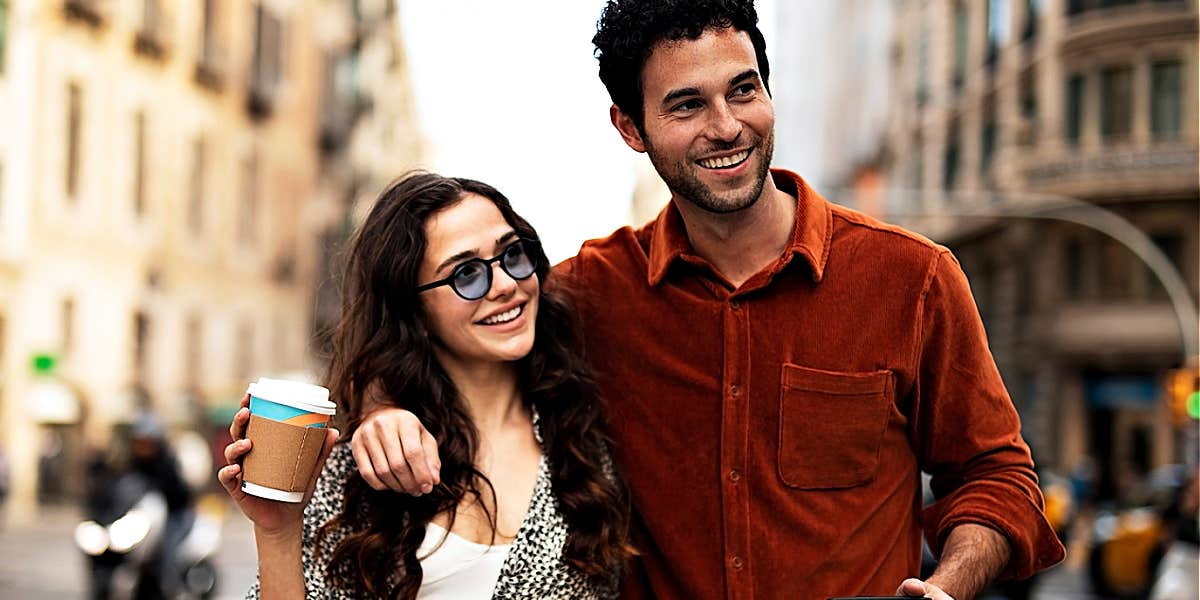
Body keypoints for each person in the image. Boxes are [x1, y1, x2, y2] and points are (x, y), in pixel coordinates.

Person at [352, 1, 1067, 598]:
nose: (726, 126)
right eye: (687, 105)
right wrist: (382, 408)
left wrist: (949, 584)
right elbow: (436, 330)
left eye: (744, 89)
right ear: (630, 128)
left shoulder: (912, 279)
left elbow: (997, 474)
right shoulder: (592, 292)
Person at [218, 173, 631, 599]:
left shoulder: (581, 434)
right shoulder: (369, 458)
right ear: (412, 307)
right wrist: (278, 534)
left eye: (512, 253)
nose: (507, 284)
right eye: (466, 274)